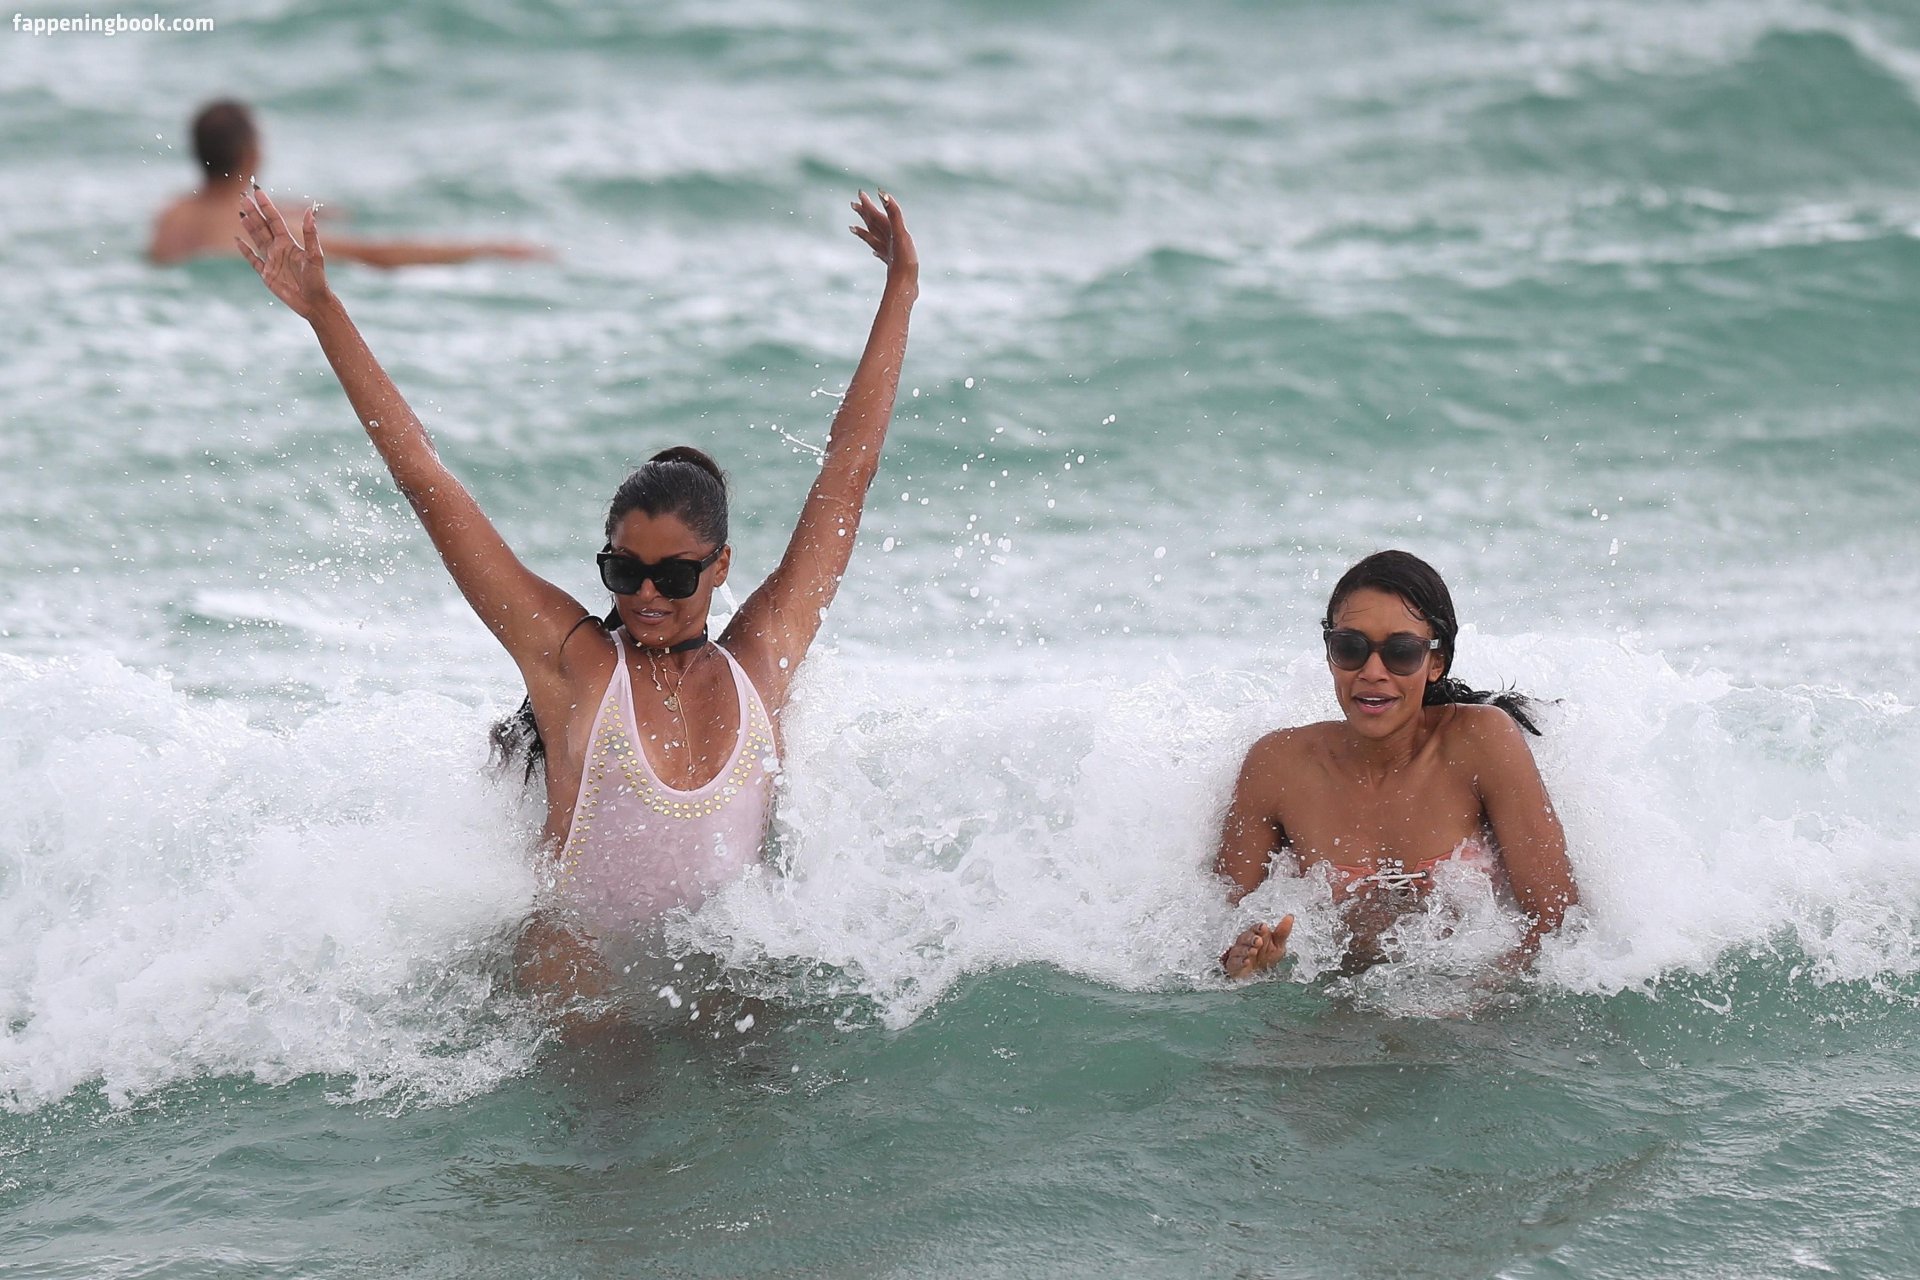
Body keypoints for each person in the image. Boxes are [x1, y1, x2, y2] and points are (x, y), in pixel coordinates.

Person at [236, 183, 917, 1020]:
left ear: (721, 566)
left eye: (674, 576)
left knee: (754, 1039)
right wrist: (324, 312)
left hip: (712, 960)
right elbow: (427, 482)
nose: (646, 596)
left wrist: (900, 290)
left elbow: (850, 471)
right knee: (585, 1003)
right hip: (576, 969)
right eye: (623, 572)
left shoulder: (762, 662)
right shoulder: (578, 669)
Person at [1215, 550, 1577, 980]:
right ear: (1330, 653)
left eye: (1401, 653)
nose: (1372, 671)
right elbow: (1214, 929)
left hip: (1473, 1002)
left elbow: (1557, 924)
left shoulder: (1482, 743)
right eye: (1350, 648)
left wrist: (1478, 994)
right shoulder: (1277, 766)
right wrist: (1248, 965)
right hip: (1333, 1002)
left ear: (1436, 662)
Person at [150, 100, 545, 267]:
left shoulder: (170, 216)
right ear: (251, 155)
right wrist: (489, 249)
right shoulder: (274, 231)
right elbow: (376, 255)